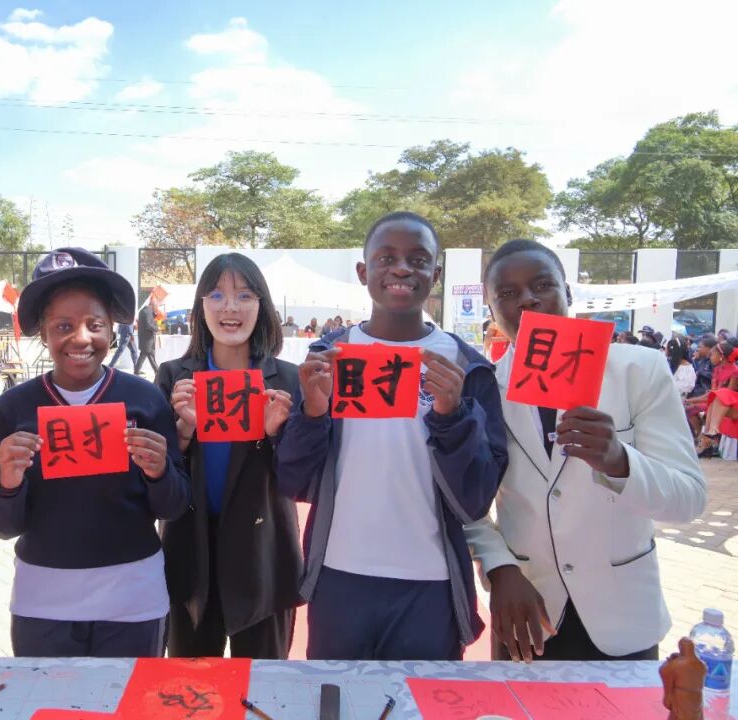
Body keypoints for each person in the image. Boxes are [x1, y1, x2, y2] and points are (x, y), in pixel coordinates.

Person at [277, 211, 508, 661]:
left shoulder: (467, 369)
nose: (401, 269)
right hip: (339, 576)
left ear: (434, 276)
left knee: (420, 696)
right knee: (338, 695)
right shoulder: (327, 358)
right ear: (363, 272)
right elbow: (293, 481)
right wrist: (313, 413)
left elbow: (476, 499)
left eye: (418, 260)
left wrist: (452, 416)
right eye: (386, 258)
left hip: (431, 583)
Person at [465, 239, 705, 663]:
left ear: (569, 293)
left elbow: (688, 499)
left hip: (623, 615)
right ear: (491, 310)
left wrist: (620, 462)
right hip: (525, 608)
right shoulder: (484, 388)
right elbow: (467, 502)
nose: (528, 299)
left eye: (543, 285)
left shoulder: (638, 370)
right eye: (507, 293)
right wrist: (499, 567)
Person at [0, 247, 190, 658]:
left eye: (95, 325)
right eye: (63, 326)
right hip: (43, 599)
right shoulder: (13, 409)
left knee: (128, 694)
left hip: (133, 595)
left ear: (112, 330)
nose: (80, 339)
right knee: (46, 695)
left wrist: (159, 472)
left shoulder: (145, 399)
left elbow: (174, 506)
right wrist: (7, 483)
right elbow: (1, 527)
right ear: (43, 333)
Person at [156, 253, 301, 660]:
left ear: (262, 307)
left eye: (244, 296)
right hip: (191, 556)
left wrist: (277, 435)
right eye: (217, 295)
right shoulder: (174, 377)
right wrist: (183, 432)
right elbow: (157, 478)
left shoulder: (288, 380)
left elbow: (301, 478)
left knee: (263, 683)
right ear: (201, 306)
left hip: (264, 557)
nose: (230, 307)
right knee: (190, 683)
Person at [685, 341, 738, 453]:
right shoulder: (717, 370)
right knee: (712, 399)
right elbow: (712, 393)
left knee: (720, 395)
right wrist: (692, 400)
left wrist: (695, 401)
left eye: (712, 354)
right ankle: (708, 436)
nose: (710, 357)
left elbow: (729, 394)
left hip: (731, 402)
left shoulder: (734, 371)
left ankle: (708, 436)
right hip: (718, 401)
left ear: (721, 356)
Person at [135, 299, 160, 376]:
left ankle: (137, 371)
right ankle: (157, 372)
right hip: (147, 339)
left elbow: (148, 320)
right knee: (148, 355)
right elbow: (149, 325)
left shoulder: (144, 311)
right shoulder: (147, 312)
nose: (156, 307)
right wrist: (157, 329)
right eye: (156, 306)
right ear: (152, 305)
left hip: (145, 339)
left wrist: (155, 314)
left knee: (145, 355)